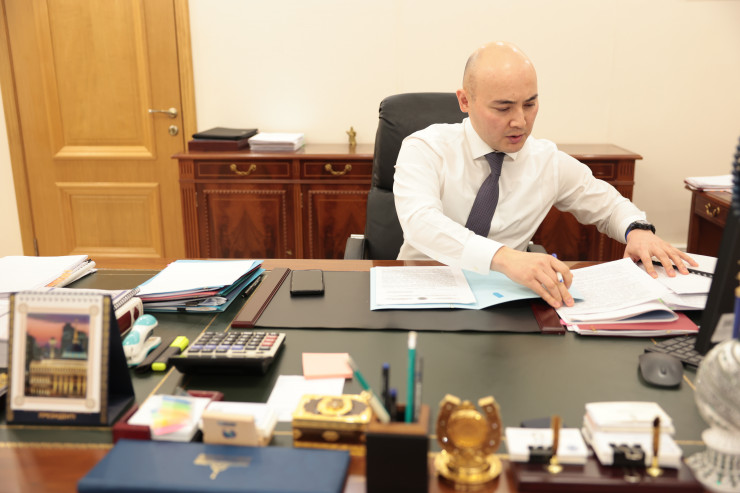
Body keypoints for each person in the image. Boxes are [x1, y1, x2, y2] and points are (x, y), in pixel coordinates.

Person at [393, 41, 696, 309]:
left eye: (530, 104)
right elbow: (420, 222)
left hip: (505, 301)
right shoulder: (425, 148)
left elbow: (610, 206)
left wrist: (638, 230)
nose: (520, 121)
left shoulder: (546, 161)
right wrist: (505, 258)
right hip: (423, 290)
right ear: (465, 101)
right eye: (503, 108)